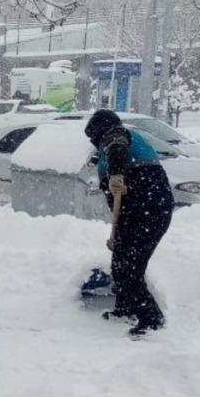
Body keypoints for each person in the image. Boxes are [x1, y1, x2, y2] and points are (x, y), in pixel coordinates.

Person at [84, 109, 173, 336]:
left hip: (149, 213)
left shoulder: (116, 134)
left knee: (130, 269)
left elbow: (117, 147)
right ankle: (125, 309)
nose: (95, 142)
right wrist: (118, 232)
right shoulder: (109, 147)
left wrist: (115, 174)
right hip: (135, 214)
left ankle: (152, 319)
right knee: (120, 265)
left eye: (93, 135)